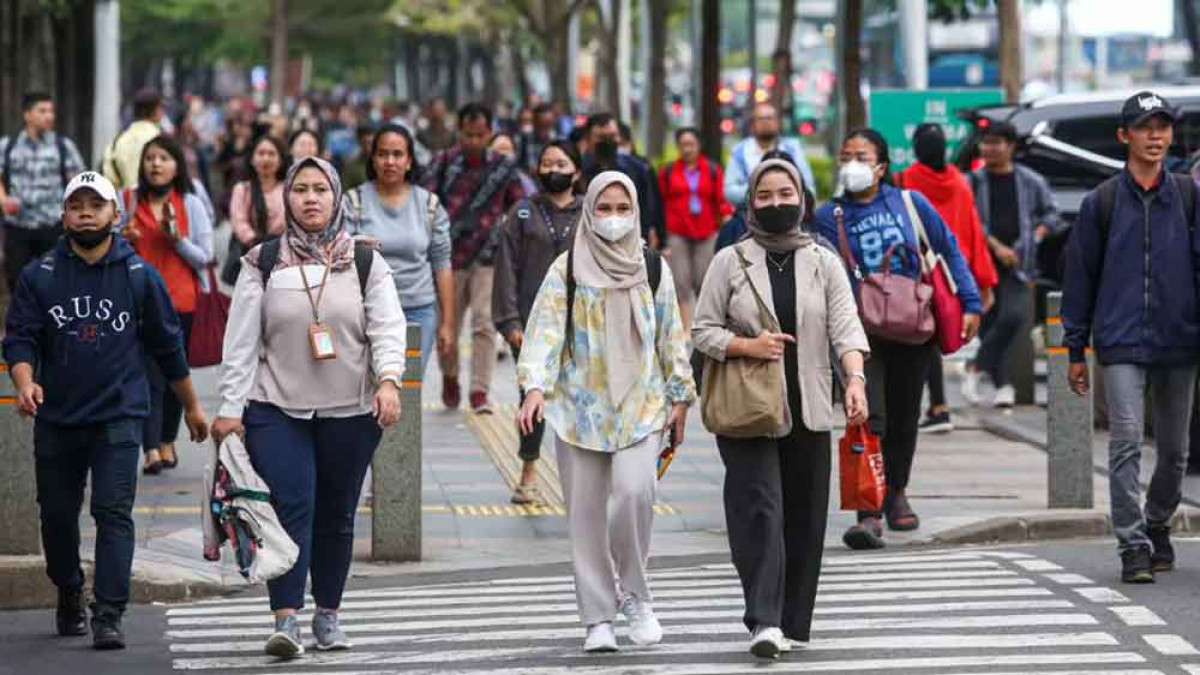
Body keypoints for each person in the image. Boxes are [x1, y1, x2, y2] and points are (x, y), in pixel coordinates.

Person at [3, 171, 208, 649]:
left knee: (113, 512)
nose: (86, 213)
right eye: (77, 205)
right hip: (56, 419)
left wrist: (193, 408)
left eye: (97, 205)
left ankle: (109, 614)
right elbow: (20, 338)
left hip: (119, 415)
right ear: (64, 216)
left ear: (116, 215)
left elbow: (167, 347)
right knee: (56, 517)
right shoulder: (41, 276)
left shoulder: (140, 277)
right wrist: (25, 381)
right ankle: (69, 586)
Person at [211, 156, 406, 656]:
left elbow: (387, 328)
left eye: (321, 189)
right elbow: (240, 344)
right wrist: (230, 408)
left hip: (351, 409)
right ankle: (287, 619)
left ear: (337, 197)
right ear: (287, 199)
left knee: (337, 513)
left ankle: (329, 615)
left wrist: (389, 381)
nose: (311, 198)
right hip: (276, 406)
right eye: (301, 190)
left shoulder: (364, 261)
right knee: (289, 505)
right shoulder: (263, 261)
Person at [693, 158, 869, 658]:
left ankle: (792, 621)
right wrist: (748, 347)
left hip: (809, 408)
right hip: (749, 410)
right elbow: (702, 330)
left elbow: (846, 328)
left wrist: (854, 379)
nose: (776, 204)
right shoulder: (730, 260)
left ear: (802, 198)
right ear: (751, 201)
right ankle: (763, 620)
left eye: (785, 193)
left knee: (804, 516)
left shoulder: (824, 260)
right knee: (761, 511)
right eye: (765, 196)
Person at [516, 171, 695, 653]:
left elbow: (670, 336)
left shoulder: (653, 268)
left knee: (635, 495)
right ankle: (598, 617)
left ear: (636, 212)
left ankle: (636, 595)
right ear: (588, 211)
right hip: (580, 410)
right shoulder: (567, 269)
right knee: (586, 515)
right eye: (603, 208)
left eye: (622, 209)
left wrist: (681, 396)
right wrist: (534, 387)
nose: (613, 219)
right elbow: (545, 334)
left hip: (642, 405)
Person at [814, 128, 982, 550]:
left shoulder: (910, 202)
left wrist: (971, 301)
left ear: (882, 166)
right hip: (858, 332)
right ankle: (867, 510)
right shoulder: (826, 216)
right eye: (846, 155)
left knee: (906, 418)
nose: (852, 163)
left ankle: (897, 493)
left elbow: (949, 249)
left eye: (862, 156)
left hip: (912, 326)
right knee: (870, 417)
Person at [1063, 91, 1200, 584]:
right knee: (1124, 441)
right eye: (1146, 127)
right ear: (1125, 136)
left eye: (1163, 127)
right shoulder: (1100, 202)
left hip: (1180, 339)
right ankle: (1133, 544)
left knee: (1176, 451)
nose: (1156, 136)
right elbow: (1080, 280)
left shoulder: (1188, 196)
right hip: (1120, 341)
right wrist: (1075, 349)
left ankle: (1158, 521)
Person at [423, 103, 531, 413]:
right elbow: (426, 203)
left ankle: (480, 391)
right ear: (460, 132)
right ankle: (450, 377)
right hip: (448, 259)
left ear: (489, 133)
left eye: (480, 134)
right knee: (449, 325)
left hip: (489, 258)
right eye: (468, 134)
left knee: (484, 324)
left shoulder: (503, 168)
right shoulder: (443, 163)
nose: (473, 140)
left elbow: (519, 207)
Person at [493, 141, 584, 504]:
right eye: (546, 163)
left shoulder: (589, 213)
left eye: (561, 163)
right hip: (530, 325)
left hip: (581, 326)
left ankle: (581, 476)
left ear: (576, 170)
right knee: (531, 396)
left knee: (579, 397)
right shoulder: (522, 213)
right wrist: (510, 320)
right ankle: (529, 468)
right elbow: (505, 270)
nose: (553, 169)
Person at [119, 136, 214, 475]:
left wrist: (177, 239)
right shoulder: (128, 200)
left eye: (163, 158)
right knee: (147, 376)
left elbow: (206, 257)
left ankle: (167, 440)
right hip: (137, 303)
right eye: (150, 158)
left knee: (176, 375)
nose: (155, 164)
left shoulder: (190, 203)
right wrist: (122, 239)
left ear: (177, 165)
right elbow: (108, 247)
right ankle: (151, 449)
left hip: (181, 302)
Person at [896, 123, 998, 433]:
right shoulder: (960, 182)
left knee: (925, 341)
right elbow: (973, 232)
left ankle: (937, 407)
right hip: (954, 274)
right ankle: (937, 407)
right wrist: (982, 280)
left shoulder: (904, 181)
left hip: (916, 275)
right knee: (937, 339)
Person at [963, 120, 1064, 408]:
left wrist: (1037, 235)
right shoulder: (973, 181)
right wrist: (995, 246)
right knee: (989, 324)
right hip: (981, 263)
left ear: (1011, 146)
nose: (990, 148)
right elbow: (968, 221)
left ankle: (976, 367)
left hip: (1021, 263)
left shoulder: (1030, 180)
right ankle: (1003, 385)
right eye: (986, 143)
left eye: (996, 143)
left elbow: (1051, 215)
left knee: (1014, 317)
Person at [346, 123, 454, 376]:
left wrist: (447, 324)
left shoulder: (429, 205)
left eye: (397, 154)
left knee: (407, 394)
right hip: (365, 311)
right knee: (370, 391)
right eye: (382, 154)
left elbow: (442, 264)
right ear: (372, 159)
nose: (390, 161)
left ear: (409, 161)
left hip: (418, 311)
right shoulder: (353, 202)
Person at [0, 92, 85, 294]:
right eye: (42, 111)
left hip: (53, 226)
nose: (49, 116)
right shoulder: (8, 146)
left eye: (51, 111)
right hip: (18, 227)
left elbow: (79, 183)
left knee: (55, 285)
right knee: (17, 283)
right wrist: (3, 200)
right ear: (27, 115)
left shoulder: (63, 146)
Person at [659, 127, 734, 327]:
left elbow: (721, 199)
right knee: (680, 281)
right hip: (677, 231)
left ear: (699, 145)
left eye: (691, 144)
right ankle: (684, 329)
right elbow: (661, 202)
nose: (687, 149)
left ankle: (704, 325)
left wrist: (726, 218)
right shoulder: (667, 172)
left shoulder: (712, 170)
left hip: (706, 230)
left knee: (704, 279)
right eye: (683, 145)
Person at [581, 114, 664, 249]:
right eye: (602, 137)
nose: (608, 142)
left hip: (631, 242)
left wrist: (650, 234)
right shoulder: (578, 170)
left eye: (612, 136)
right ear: (588, 139)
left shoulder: (637, 168)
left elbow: (647, 206)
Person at [724, 102, 816, 209]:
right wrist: (760, 190)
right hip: (748, 219)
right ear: (752, 124)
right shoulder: (739, 152)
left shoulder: (793, 150)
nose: (766, 122)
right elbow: (729, 191)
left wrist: (786, 193)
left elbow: (810, 189)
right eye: (761, 118)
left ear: (778, 122)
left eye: (770, 118)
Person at [225, 134, 290, 284]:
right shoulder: (242, 189)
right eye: (261, 153)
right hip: (249, 257)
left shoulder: (289, 189)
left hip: (283, 258)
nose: (266, 158)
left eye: (272, 154)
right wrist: (256, 244)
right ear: (252, 159)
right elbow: (238, 221)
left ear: (280, 159)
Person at [103, 88, 164, 190]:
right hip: (154, 203)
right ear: (156, 110)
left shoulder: (116, 142)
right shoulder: (162, 140)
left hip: (124, 202)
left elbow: (110, 180)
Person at [517, 102, 558, 174]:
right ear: (534, 122)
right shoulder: (524, 139)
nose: (545, 128)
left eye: (548, 123)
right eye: (541, 124)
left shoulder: (557, 140)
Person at [341, 125, 376, 190]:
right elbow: (345, 191)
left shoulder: (387, 163)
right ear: (359, 143)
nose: (368, 148)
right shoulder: (351, 166)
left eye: (371, 143)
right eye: (365, 143)